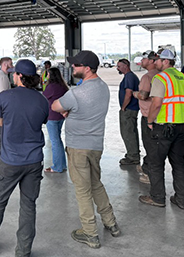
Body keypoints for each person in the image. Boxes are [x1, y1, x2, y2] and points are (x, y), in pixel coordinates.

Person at [0, 59, 49, 257]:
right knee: (28, 206)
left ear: (17, 75)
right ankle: (23, 251)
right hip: (34, 161)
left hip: (9, 161)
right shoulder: (42, 100)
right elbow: (42, 121)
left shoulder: (6, 96)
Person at [52, 51, 120, 249]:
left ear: (87, 68)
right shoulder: (104, 88)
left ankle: (90, 233)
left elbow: (56, 106)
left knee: (82, 191)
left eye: (76, 65)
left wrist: (68, 112)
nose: (73, 67)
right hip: (95, 146)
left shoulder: (77, 93)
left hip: (78, 147)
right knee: (96, 183)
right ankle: (111, 223)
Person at [139, 49, 184, 210]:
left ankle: (157, 197)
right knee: (179, 163)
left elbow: (156, 103)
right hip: (181, 125)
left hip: (163, 127)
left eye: (158, 60)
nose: (155, 63)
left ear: (166, 61)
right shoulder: (183, 77)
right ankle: (182, 199)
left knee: (156, 163)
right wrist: (181, 117)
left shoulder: (161, 78)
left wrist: (149, 121)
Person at [132, 51, 160, 184]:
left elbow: (143, 95)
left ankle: (149, 174)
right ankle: (146, 167)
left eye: (144, 59)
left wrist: (134, 93)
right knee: (156, 146)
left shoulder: (147, 78)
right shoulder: (161, 75)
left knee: (150, 145)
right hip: (161, 115)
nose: (142, 61)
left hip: (149, 116)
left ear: (151, 61)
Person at [43, 67, 69, 173]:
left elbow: (43, 97)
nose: (47, 76)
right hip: (60, 116)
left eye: (48, 74)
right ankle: (62, 165)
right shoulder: (63, 86)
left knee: (54, 142)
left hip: (52, 117)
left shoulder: (51, 87)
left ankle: (57, 167)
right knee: (58, 140)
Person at [117, 58, 141, 165]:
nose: (117, 68)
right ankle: (134, 153)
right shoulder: (130, 77)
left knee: (127, 132)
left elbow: (128, 93)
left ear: (125, 66)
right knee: (131, 131)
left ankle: (133, 156)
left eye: (119, 66)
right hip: (132, 109)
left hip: (129, 109)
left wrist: (123, 107)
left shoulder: (129, 77)